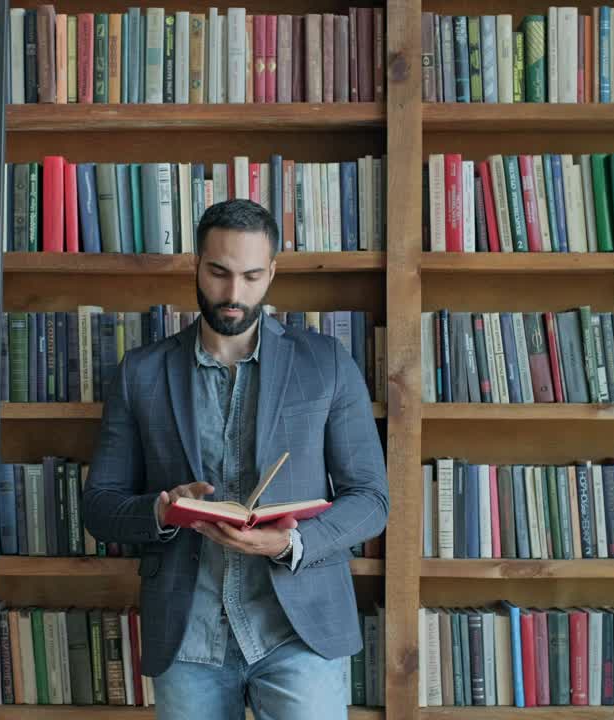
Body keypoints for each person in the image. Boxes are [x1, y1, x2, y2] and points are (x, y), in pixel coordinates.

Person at [81, 198, 389, 719]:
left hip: (299, 632)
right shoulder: (141, 373)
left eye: (250, 276)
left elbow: (372, 500)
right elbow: (98, 506)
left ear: (272, 272)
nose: (232, 294)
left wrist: (290, 542)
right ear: (195, 265)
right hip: (188, 636)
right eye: (219, 273)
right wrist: (161, 511)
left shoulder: (327, 364)